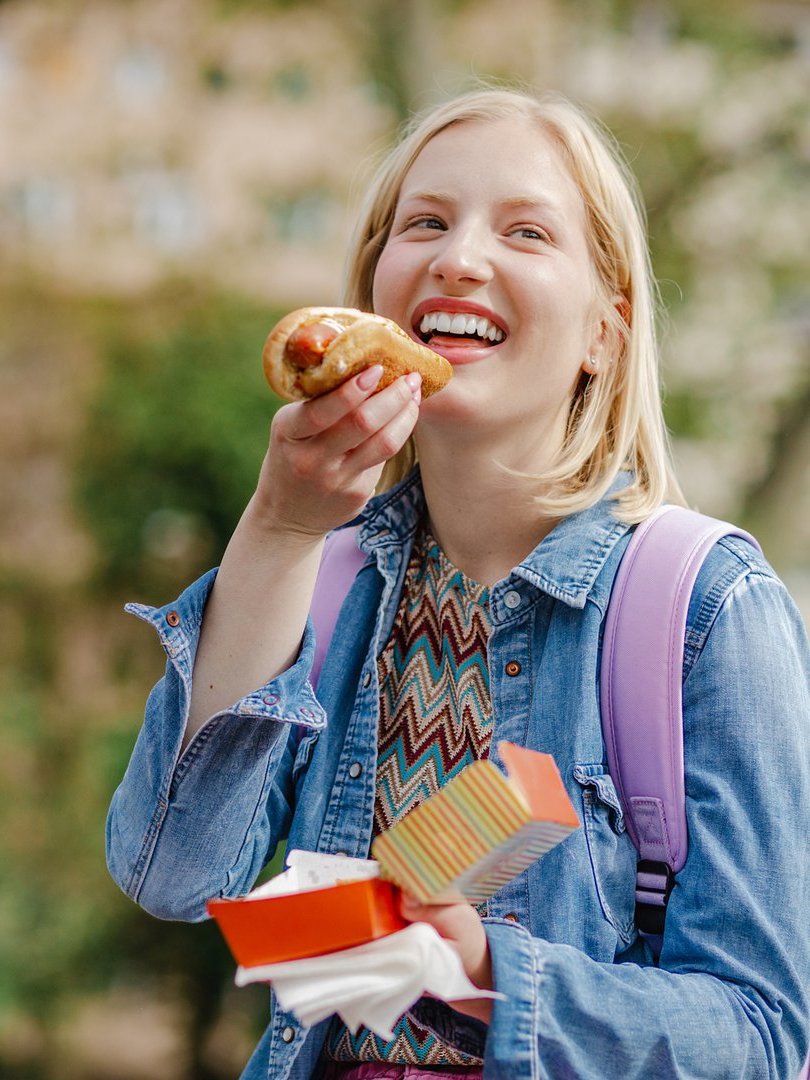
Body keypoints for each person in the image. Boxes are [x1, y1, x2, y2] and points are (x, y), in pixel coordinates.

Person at [106, 84, 810, 1079]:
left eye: (526, 232)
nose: (459, 256)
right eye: (425, 222)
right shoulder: (327, 581)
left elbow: (767, 1037)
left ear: (604, 334)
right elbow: (169, 871)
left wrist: (484, 975)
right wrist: (275, 528)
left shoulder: (703, 608)